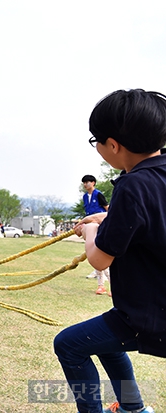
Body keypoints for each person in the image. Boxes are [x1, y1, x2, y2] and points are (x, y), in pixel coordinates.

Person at [54, 89, 166, 413]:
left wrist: (91, 230)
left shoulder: (133, 185)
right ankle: (134, 408)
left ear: (113, 145)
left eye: (97, 141)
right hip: (154, 307)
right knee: (105, 341)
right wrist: (109, 217)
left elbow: (99, 257)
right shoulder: (154, 176)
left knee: (69, 345)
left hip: (152, 314)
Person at [82, 174, 112, 295]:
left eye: (87, 182)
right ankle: (101, 286)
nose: (85, 184)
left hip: (100, 225)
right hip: (90, 227)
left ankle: (111, 285)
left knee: (101, 254)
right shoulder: (85, 197)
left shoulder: (98, 194)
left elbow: (107, 208)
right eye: (84, 183)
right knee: (94, 254)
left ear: (93, 183)